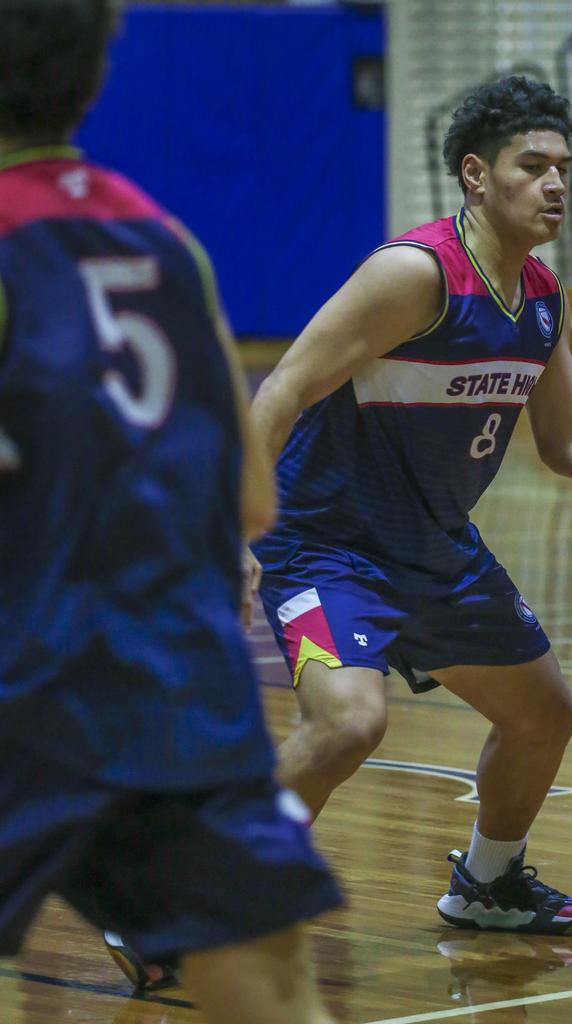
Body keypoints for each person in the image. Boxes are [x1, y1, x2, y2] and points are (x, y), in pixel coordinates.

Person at [248, 75, 572, 934]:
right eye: (534, 165)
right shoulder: (414, 275)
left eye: (564, 169)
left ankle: (489, 882)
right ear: (477, 175)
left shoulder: (542, 300)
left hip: (435, 550)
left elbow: (570, 441)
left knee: (544, 713)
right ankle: (190, 902)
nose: (556, 184)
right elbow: (281, 389)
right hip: (327, 548)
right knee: (348, 726)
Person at [0, 3, 340, 1022]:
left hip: (28, 681)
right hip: (180, 691)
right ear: (94, 73)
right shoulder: (168, 242)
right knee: (270, 984)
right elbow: (251, 497)